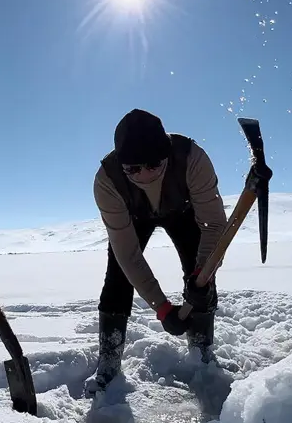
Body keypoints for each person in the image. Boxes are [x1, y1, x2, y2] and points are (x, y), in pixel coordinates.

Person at [85, 108, 229, 395]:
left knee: (201, 277)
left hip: (183, 212)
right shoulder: (107, 180)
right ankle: (109, 363)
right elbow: (128, 255)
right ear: (122, 164)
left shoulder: (192, 159)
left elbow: (214, 226)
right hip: (134, 217)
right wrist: (163, 309)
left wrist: (204, 273)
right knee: (117, 278)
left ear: (166, 153)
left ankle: (201, 352)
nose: (145, 175)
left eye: (154, 164)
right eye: (134, 169)